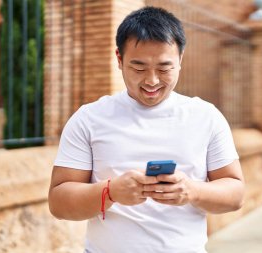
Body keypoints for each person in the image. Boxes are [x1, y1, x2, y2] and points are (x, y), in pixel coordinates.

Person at [48, 6, 244, 253]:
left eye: (164, 68)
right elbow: (59, 203)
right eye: (139, 68)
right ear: (119, 59)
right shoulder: (89, 118)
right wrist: (110, 192)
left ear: (181, 59)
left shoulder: (206, 116)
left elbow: (235, 193)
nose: (152, 81)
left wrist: (192, 190)